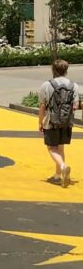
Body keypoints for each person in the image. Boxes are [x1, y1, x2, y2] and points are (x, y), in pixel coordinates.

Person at [38, 59, 81, 187]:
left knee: (51, 147)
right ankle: (58, 176)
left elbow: (42, 106)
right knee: (60, 147)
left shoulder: (46, 85)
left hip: (51, 120)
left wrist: (40, 122)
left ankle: (63, 167)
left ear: (53, 70)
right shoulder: (74, 85)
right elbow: (76, 105)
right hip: (67, 122)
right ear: (66, 70)